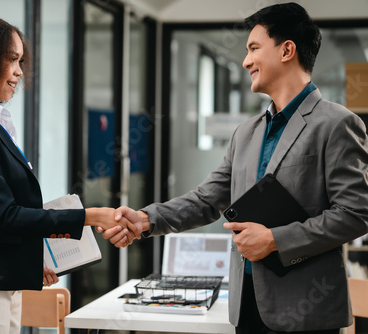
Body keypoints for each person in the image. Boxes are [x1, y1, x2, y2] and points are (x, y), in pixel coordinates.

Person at [100, 3, 368, 334]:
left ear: (287, 50)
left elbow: (356, 213)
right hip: (247, 308)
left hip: (307, 314)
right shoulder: (246, 132)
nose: (246, 61)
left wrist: (275, 240)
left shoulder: (338, 124)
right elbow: (207, 199)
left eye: (254, 48)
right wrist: (146, 219)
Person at [0, 14, 136, 334]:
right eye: (12, 60)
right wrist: (89, 216)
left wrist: (29, 261)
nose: (20, 71)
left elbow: (1, 218)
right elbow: (5, 215)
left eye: (21, 60)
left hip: (1, 282)